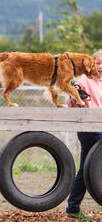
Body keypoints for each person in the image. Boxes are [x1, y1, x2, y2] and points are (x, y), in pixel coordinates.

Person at [66, 49, 102, 220]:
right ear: (91, 65)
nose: (100, 67)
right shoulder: (84, 80)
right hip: (89, 130)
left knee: (86, 169)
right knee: (91, 167)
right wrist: (74, 96)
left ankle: (73, 208)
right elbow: (70, 101)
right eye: (97, 63)